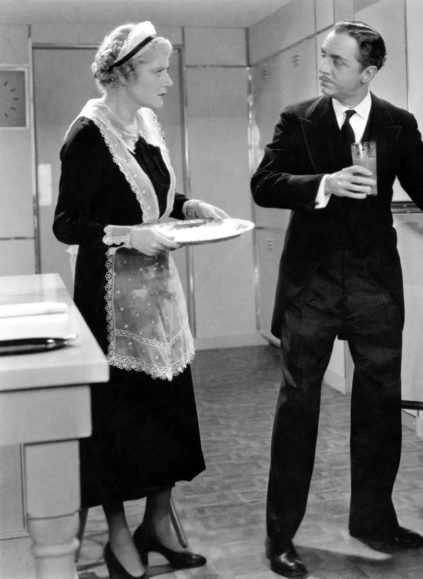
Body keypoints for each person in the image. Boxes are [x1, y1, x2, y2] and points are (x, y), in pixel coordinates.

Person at [250, 19, 423, 578]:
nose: (323, 68)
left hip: (373, 286)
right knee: (298, 407)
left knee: (380, 408)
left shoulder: (397, 125)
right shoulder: (297, 119)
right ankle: (280, 536)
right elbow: (264, 184)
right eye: (323, 57)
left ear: (369, 72)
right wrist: (323, 184)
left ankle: (374, 520)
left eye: (336, 61)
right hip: (310, 286)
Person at [53, 21, 229, 579]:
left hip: (157, 296)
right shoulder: (87, 135)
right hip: (107, 299)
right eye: (158, 71)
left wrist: (188, 204)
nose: (168, 81)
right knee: (119, 420)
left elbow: (150, 195)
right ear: (125, 74)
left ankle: (158, 522)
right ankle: (118, 536)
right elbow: (66, 224)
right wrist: (128, 235)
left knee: (166, 413)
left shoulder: (146, 124)